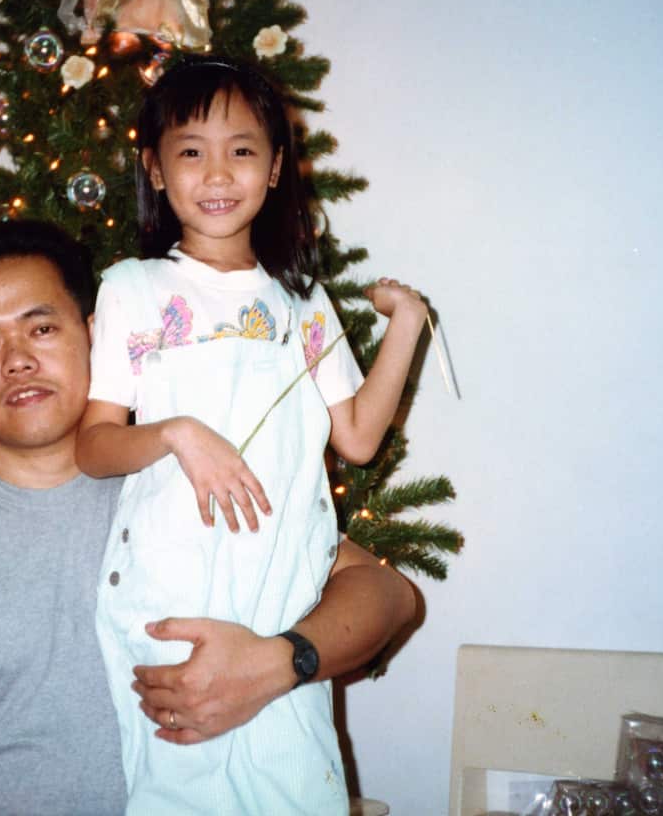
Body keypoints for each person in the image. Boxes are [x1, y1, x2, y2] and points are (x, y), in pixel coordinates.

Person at [0, 220, 417, 816]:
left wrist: (279, 663)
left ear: (95, 334)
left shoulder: (176, 472)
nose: (17, 361)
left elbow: (388, 594)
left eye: (41, 328)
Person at [75, 55, 429, 813]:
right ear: (156, 168)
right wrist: (176, 434)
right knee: (177, 783)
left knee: (296, 785)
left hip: (279, 593)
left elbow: (359, 437)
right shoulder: (133, 289)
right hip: (169, 587)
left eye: (242, 150)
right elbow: (95, 445)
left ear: (274, 169)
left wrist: (406, 325)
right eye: (191, 151)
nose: (217, 173)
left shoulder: (302, 303)